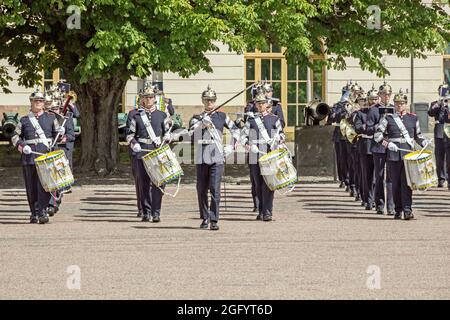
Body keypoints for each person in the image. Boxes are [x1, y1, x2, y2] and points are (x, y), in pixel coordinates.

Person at [190, 85, 240, 230]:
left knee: (215, 189)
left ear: (215, 101)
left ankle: (214, 219)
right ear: (202, 101)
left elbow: (236, 130)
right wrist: (201, 126)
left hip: (217, 156)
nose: (209, 103)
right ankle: (204, 217)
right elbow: (191, 137)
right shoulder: (196, 118)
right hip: (202, 156)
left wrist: (231, 146)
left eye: (212, 100)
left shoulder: (222, 116)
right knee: (201, 189)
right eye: (207, 100)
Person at [11, 87, 64, 224]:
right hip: (29, 157)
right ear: (31, 102)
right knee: (31, 187)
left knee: (45, 186)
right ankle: (34, 213)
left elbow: (57, 137)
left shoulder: (51, 118)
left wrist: (61, 132)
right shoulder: (23, 120)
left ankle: (42, 212)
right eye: (36, 101)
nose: (38, 103)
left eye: (41, 100)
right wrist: (22, 147)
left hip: (45, 156)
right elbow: (15, 136)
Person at [374, 90, 430, 220]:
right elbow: (377, 136)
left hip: (408, 155)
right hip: (393, 154)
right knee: (395, 183)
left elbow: (418, 136)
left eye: (402, 103)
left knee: (407, 184)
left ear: (406, 104)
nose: (399, 106)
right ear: (394, 104)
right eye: (397, 103)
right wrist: (387, 144)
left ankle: (407, 210)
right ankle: (397, 209)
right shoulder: (388, 118)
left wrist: (424, 142)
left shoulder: (413, 118)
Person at [126, 84, 172, 222]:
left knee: (158, 184)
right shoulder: (136, 115)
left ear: (155, 98)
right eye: (146, 97)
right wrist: (134, 144)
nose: (148, 100)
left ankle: (156, 212)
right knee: (143, 184)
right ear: (142, 99)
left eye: (151, 97)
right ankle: (146, 211)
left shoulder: (162, 115)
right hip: (141, 152)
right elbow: (129, 135)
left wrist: (168, 138)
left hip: (157, 152)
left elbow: (167, 133)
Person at [240, 92, 285, 221]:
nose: (260, 105)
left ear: (267, 104)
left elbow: (282, 134)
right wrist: (248, 146)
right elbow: (243, 137)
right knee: (258, 184)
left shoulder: (274, 119)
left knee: (269, 184)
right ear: (255, 105)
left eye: (262, 103)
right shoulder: (251, 120)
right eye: (258, 103)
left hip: (269, 154)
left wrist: (278, 138)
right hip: (255, 155)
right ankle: (260, 210)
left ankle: (267, 211)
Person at [366, 81, 395, 215]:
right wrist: (379, 126)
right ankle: (379, 203)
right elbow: (369, 128)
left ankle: (391, 205)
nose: (386, 97)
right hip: (378, 145)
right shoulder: (374, 109)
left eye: (388, 94)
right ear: (379, 95)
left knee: (391, 176)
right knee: (379, 176)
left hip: (391, 145)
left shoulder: (394, 109)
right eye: (383, 94)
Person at [354, 86, 378, 210]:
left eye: (375, 99)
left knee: (377, 176)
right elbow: (358, 128)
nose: (373, 101)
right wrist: (373, 127)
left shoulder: (381, 112)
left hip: (379, 146)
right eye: (371, 99)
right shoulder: (361, 113)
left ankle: (375, 198)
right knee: (366, 175)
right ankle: (368, 199)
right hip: (366, 146)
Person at [428, 83, 449, 187]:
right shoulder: (435, 103)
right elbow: (430, 112)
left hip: (448, 131)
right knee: (439, 156)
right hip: (439, 132)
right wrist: (440, 103)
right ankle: (441, 178)